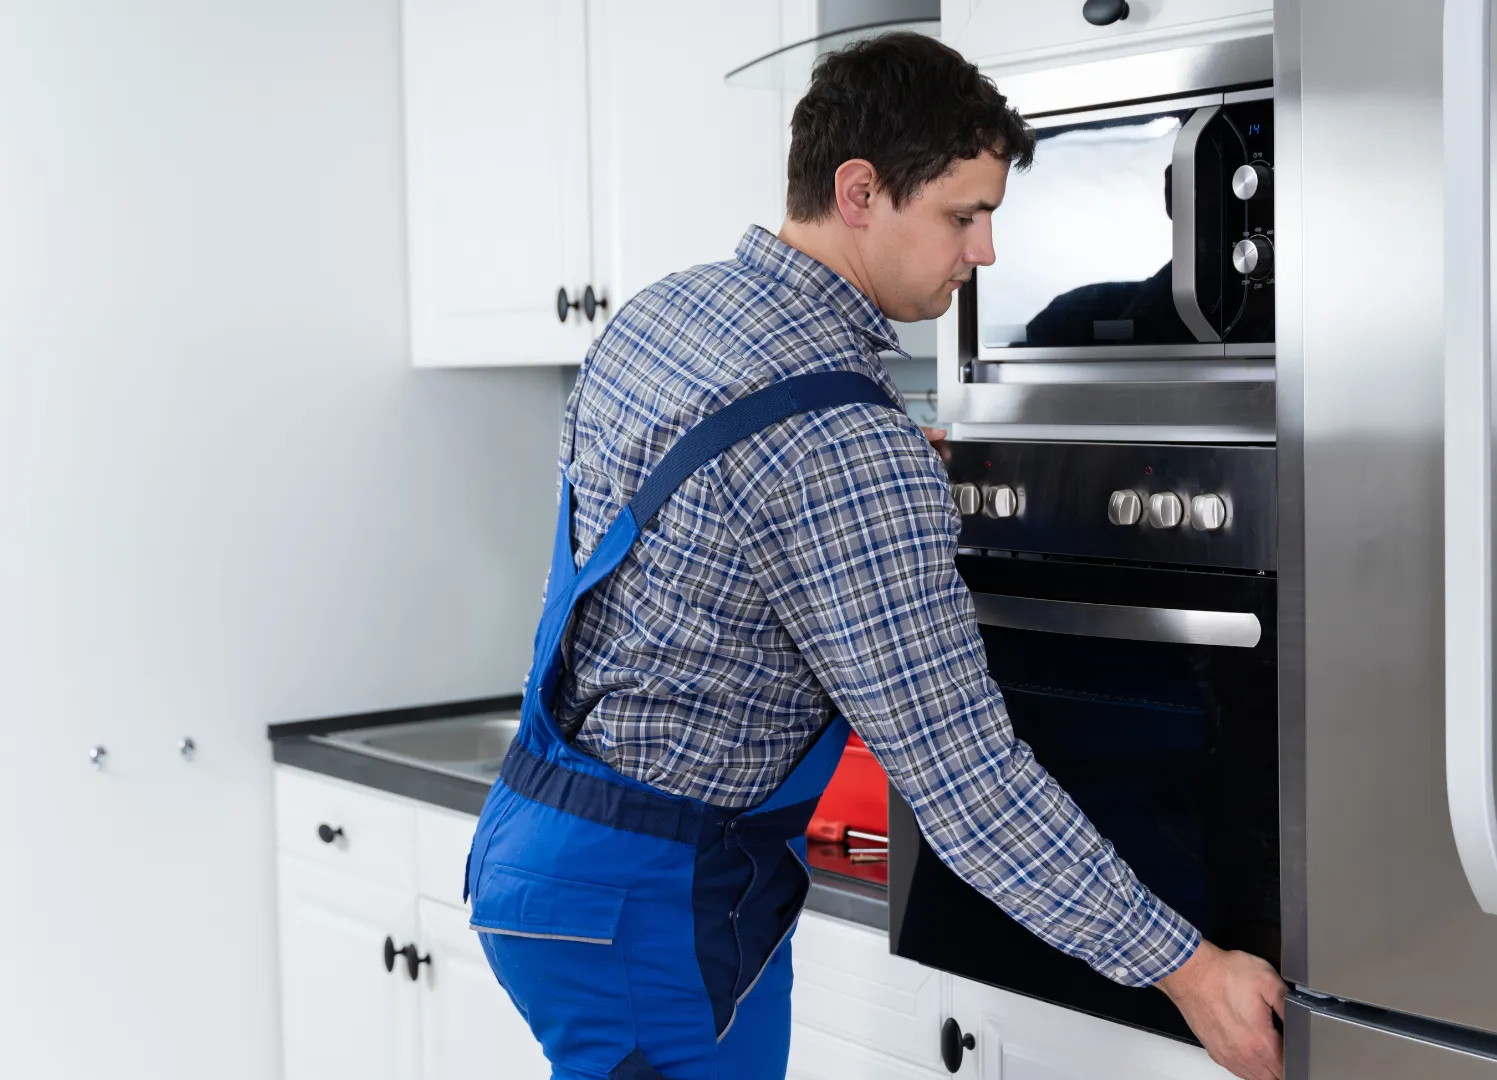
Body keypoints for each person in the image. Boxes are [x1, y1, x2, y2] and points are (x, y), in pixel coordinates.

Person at [463, 31, 1285, 1080]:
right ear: (860, 192)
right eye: (963, 213)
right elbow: (968, 786)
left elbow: (682, 542)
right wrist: (1189, 968)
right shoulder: (845, 446)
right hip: (653, 910)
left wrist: (885, 493)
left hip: (537, 845)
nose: (983, 250)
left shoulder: (666, 315)